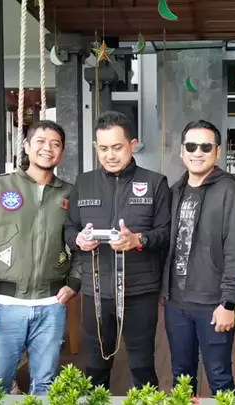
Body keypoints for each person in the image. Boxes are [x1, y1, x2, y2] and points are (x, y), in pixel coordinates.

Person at [0, 121, 79, 395]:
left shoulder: (71, 193)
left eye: (55, 144)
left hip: (51, 305)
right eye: (40, 141)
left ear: (62, 153)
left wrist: (75, 282)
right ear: (26, 146)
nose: (47, 148)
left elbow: (82, 242)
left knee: (46, 385)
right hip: (4, 305)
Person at [64, 111, 171, 390]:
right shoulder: (83, 183)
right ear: (95, 147)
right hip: (96, 291)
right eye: (103, 148)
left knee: (142, 365)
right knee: (96, 365)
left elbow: (165, 232)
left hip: (140, 291)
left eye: (117, 147)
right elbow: (69, 227)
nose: (110, 155)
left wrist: (139, 240)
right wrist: (78, 240)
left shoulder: (155, 183)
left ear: (132, 145)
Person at [161, 120, 235, 395]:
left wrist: (228, 303)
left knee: (219, 377)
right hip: (176, 303)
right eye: (191, 146)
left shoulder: (230, 192)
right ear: (182, 151)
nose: (197, 152)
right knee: (181, 377)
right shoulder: (175, 191)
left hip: (213, 304)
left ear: (217, 152)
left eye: (206, 147)